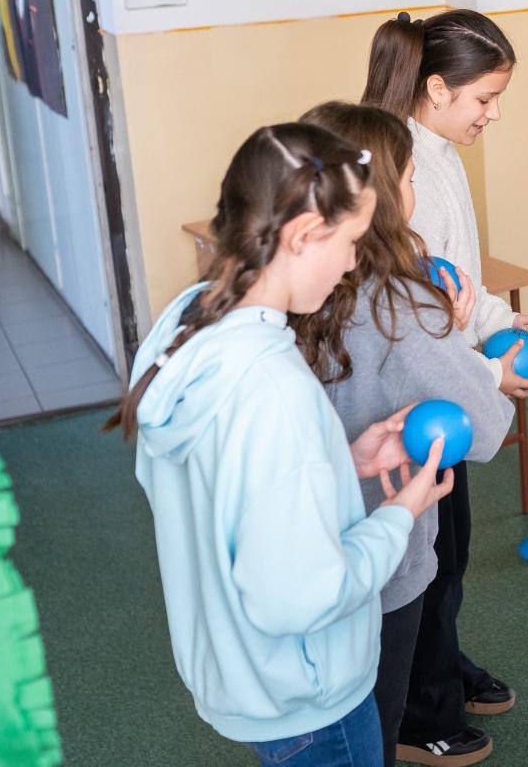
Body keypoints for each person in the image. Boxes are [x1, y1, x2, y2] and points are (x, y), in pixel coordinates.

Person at [106, 123, 453, 767]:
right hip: (310, 699)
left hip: (240, 673)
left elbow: (230, 484)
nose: (351, 263)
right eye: (349, 241)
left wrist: (338, 462)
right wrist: (398, 516)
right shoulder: (275, 390)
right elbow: (303, 597)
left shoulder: (189, 322)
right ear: (301, 234)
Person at [294, 101, 517, 767]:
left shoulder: (293, 290)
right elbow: (484, 427)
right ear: (384, 197)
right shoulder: (402, 302)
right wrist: (467, 348)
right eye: (413, 178)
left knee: (323, 721)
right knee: (370, 727)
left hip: (301, 546)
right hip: (381, 556)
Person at [362, 10, 528, 763]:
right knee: (423, 565)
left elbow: (457, 278)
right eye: (484, 98)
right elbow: (417, 317)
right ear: (436, 89)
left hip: (447, 379)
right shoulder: (403, 170)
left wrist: (498, 318)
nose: (493, 113)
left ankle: (440, 666)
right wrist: (489, 373)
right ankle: (420, 709)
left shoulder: (437, 154)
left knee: (448, 552)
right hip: (419, 400)